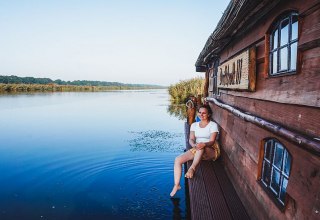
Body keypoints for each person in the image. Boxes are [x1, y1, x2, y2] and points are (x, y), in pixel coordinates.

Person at [170, 105, 219, 197]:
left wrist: (203, 144)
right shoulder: (194, 125)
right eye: (200, 112)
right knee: (178, 159)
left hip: (211, 150)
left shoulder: (213, 125)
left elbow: (212, 141)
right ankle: (177, 185)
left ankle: (192, 168)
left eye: (204, 113)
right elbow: (191, 139)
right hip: (198, 148)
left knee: (201, 147)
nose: (201, 114)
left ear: (208, 114)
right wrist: (194, 145)